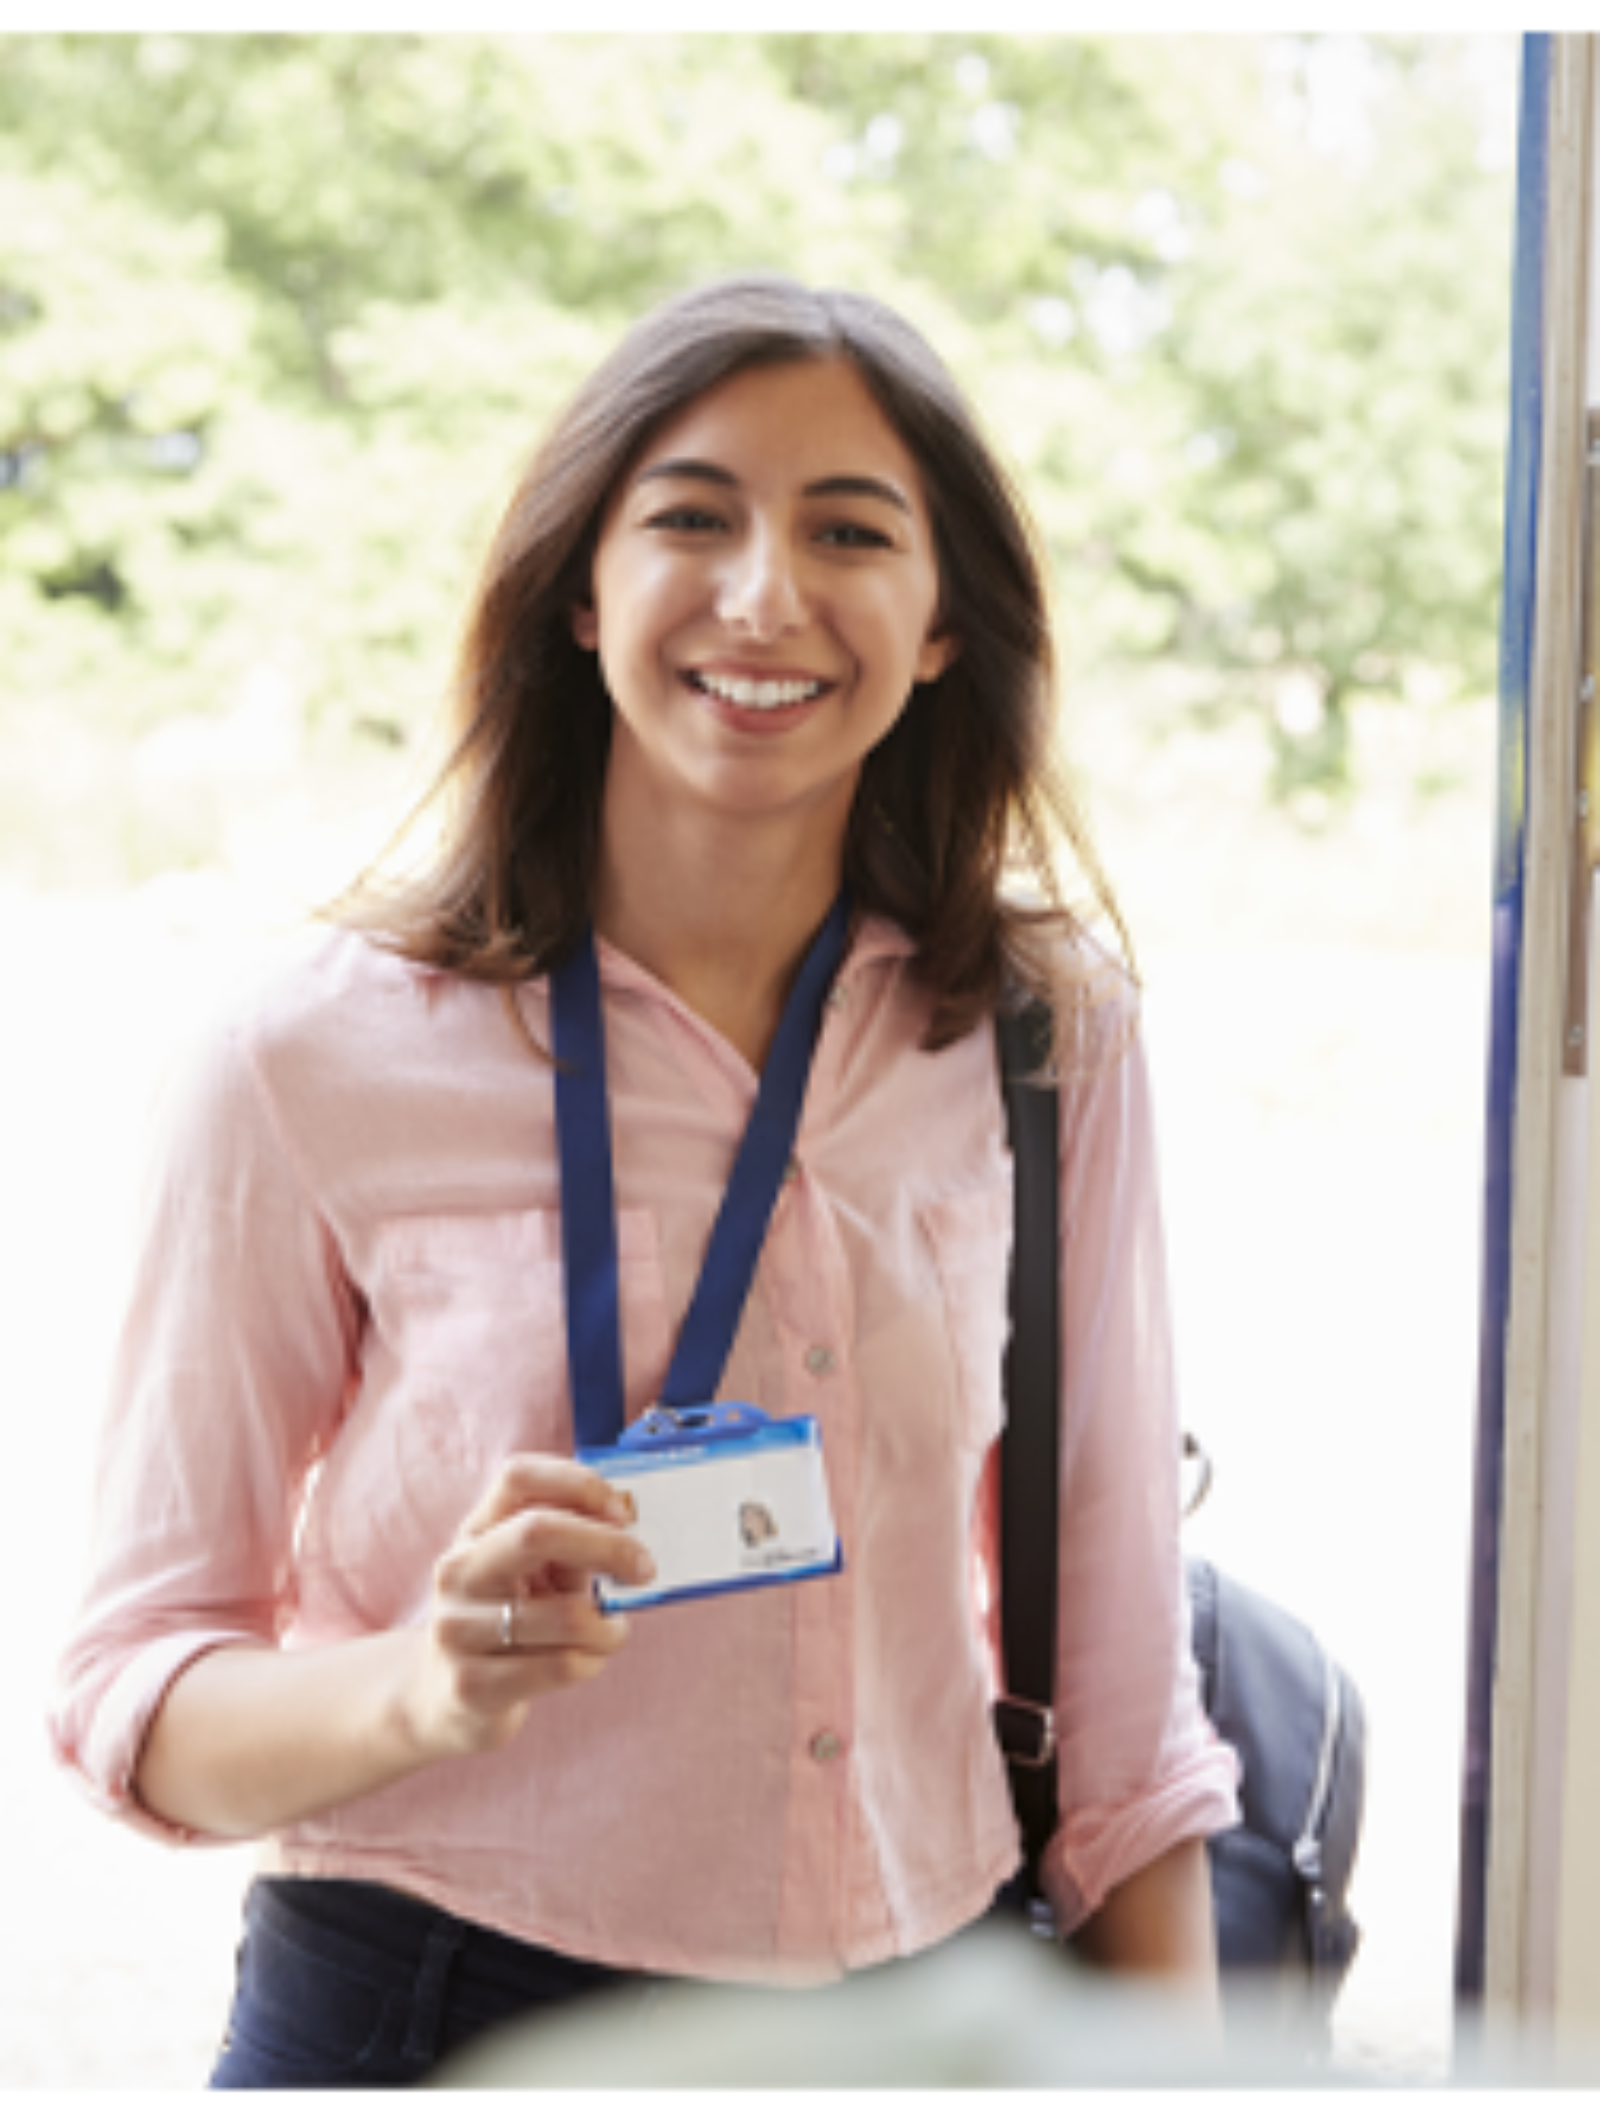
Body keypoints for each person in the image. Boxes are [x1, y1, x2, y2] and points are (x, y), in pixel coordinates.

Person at [50, 275, 1242, 2096]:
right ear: (580, 595)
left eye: (851, 531)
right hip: (432, 2009)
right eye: (692, 517)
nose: (766, 594)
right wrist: (422, 1687)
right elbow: (135, 1692)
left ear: (938, 628)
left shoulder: (1041, 1040)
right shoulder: (304, 1056)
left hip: (918, 2017)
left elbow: (1125, 1702)